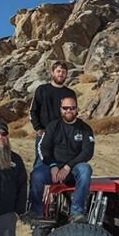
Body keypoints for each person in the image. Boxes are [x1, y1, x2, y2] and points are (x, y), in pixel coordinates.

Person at [25, 96, 94, 224]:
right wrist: (52, 165)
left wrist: (68, 167)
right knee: (37, 174)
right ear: (60, 109)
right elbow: (44, 147)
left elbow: (88, 152)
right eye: (65, 108)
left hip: (74, 170)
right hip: (54, 169)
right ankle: (37, 211)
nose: (69, 110)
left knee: (86, 169)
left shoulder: (85, 129)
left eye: (72, 108)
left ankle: (76, 212)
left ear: (77, 109)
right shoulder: (53, 126)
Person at [29, 61, 77, 168]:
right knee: (40, 166)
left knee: (62, 167)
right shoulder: (42, 90)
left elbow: (72, 114)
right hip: (44, 135)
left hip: (64, 137)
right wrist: (38, 128)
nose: (61, 74)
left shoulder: (70, 93)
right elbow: (33, 111)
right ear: (52, 72)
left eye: (63, 72)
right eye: (58, 71)